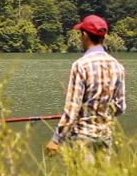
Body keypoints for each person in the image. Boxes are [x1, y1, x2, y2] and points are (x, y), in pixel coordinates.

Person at [45, 15, 126, 158]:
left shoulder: (81, 66)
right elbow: (120, 107)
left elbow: (72, 110)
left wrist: (56, 140)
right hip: (105, 137)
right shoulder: (117, 66)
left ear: (85, 35)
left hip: (82, 138)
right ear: (104, 36)